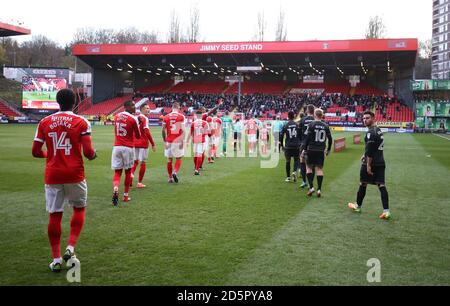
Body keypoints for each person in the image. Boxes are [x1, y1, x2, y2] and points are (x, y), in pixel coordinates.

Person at [32, 89, 97, 272]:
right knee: (79, 208)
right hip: (74, 174)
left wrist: (49, 155)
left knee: (55, 215)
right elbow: (88, 152)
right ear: (75, 101)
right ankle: (70, 247)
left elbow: (36, 151)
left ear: (57, 101)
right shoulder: (81, 121)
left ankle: (56, 259)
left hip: (53, 174)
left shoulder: (45, 121)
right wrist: (93, 156)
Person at [348, 111, 391, 220]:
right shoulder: (379, 130)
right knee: (381, 185)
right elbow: (372, 147)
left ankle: (357, 206)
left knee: (363, 183)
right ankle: (386, 211)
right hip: (381, 162)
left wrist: (368, 165)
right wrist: (365, 154)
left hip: (372, 163)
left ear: (373, 118)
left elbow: (370, 152)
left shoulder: (370, 133)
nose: (364, 120)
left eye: (367, 118)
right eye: (363, 118)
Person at [112, 101, 141, 205]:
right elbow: (138, 136)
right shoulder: (133, 119)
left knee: (117, 172)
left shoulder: (116, 116)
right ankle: (125, 196)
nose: (135, 107)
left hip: (117, 147)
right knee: (128, 172)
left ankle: (115, 189)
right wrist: (139, 123)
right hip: (128, 147)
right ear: (127, 107)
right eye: (133, 105)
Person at [302, 109, 332, 198]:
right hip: (320, 150)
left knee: (309, 168)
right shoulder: (326, 126)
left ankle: (311, 187)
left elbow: (307, 138)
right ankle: (319, 189)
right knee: (319, 169)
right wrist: (329, 149)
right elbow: (330, 139)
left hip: (311, 149)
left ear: (315, 115)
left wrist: (304, 149)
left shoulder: (311, 124)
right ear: (322, 115)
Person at [130, 104, 156, 189]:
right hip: (143, 143)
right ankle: (139, 183)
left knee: (135, 161)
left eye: (149, 108)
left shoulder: (135, 118)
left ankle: (131, 175)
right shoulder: (145, 118)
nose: (149, 110)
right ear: (142, 110)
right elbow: (146, 131)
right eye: (146, 108)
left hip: (135, 143)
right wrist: (152, 143)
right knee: (143, 162)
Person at [162, 102, 186, 183]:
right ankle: (174, 172)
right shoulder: (181, 116)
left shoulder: (166, 117)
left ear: (172, 108)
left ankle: (170, 178)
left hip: (169, 140)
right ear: (178, 108)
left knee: (169, 159)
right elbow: (183, 130)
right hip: (178, 140)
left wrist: (165, 140)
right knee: (178, 158)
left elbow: (163, 130)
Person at [280, 111, 302, 183]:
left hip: (288, 146)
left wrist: (282, 145)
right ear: (294, 116)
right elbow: (300, 135)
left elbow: (281, 135)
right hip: (296, 145)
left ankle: (288, 177)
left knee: (288, 161)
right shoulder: (297, 125)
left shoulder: (286, 125)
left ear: (288, 116)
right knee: (296, 160)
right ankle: (294, 171)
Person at [188, 110, 210, 175]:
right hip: (202, 140)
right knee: (200, 154)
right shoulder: (205, 123)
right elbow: (208, 132)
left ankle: (195, 167)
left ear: (196, 116)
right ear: (201, 115)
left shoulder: (193, 123)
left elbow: (191, 133)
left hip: (195, 140)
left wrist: (190, 139)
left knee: (195, 154)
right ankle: (197, 170)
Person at [299, 105, 316, 189]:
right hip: (313, 145)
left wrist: (301, 141)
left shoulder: (303, 119)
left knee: (302, 162)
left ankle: (304, 181)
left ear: (308, 110)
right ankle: (310, 183)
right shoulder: (315, 120)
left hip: (303, 143)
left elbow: (298, 132)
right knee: (312, 164)